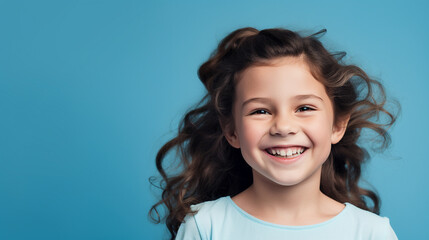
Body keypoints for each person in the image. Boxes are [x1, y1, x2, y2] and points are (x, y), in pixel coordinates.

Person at [149, 27, 399, 240]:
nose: (283, 127)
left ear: (337, 126)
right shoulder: (205, 226)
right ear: (232, 131)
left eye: (304, 108)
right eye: (260, 111)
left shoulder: (370, 233)